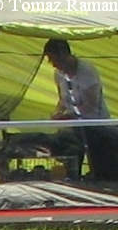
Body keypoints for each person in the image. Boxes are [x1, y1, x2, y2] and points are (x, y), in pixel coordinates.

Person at [44, 38, 118, 182]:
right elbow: (63, 100)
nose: (52, 64)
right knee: (70, 152)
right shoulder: (58, 75)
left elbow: (91, 106)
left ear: (64, 54)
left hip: (96, 128)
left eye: (53, 58)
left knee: (99, 162)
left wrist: (69, 116)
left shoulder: (87, 71)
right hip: (74, 129)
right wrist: (57, 113)